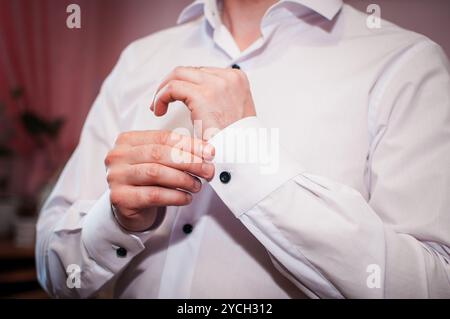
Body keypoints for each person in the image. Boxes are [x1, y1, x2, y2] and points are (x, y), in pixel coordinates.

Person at [36, 0, 450, 298]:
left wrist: (246, 157)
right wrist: (117, 221)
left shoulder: (404, 63)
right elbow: (55, 273)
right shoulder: (138, 60)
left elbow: (432, 285)